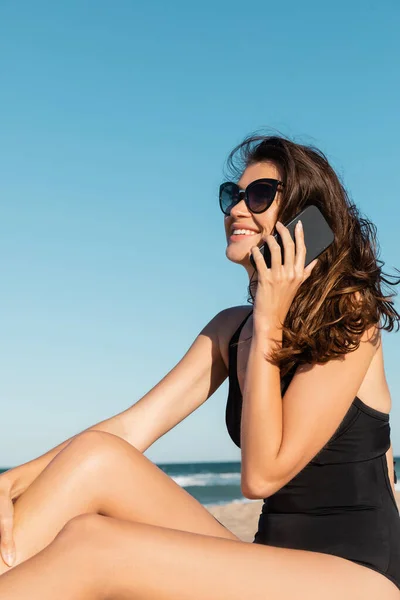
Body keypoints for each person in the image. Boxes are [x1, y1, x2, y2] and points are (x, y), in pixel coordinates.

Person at [0, 133, 399, 599]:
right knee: (96, 456)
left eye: (259, 195)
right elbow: (130, 429)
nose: (235, 209)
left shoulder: (349, 317)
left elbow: (262, 476)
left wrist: (270, 317)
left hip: (355, 577)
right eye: (232, 195)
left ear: (304, 218)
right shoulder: (232, 330)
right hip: (269, 564)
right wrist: (11, 482)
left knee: (94, 545)